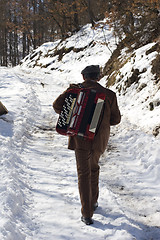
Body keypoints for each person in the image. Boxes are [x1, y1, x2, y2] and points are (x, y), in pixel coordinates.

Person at [53, 65, 121, 225]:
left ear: (84, 77)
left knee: (84, 173)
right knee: (94, 167)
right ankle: (93, 202)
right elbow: (116, 120)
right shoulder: (109, 94)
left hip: (80, 139)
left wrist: (68, 92)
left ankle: (87, 213)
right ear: (98, 77)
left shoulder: (75, 91)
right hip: (99, 140)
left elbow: (57, 107)